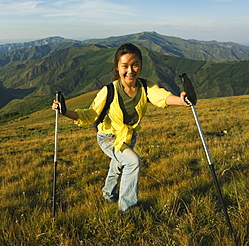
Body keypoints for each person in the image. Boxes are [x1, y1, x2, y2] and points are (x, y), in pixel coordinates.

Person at [52, 43, 191, 213]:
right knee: (133, 162)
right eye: (125, 66)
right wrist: (65, 111)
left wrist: (183, 101)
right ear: (117, 67)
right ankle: (127, 209)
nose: (130, 70)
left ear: (140, 65)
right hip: (108, 137)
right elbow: (89, 115)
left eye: (135, 64)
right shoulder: (109, 90)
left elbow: (162, 97)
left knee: (117, 165)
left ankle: (107, 195)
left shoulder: (146, 87)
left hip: (128, 136)